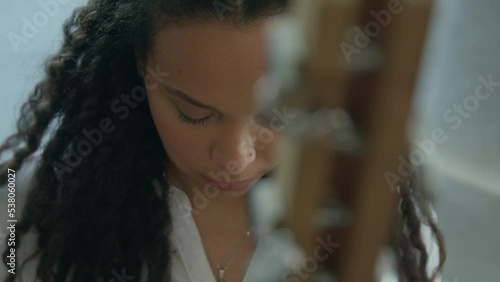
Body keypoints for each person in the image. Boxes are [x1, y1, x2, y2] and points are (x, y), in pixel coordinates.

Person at [0, 0, 445, 281]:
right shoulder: (22, 214)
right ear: (141, 64)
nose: (236, 158)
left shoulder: (379, 225)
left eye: (276, 116)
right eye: (194, 113)